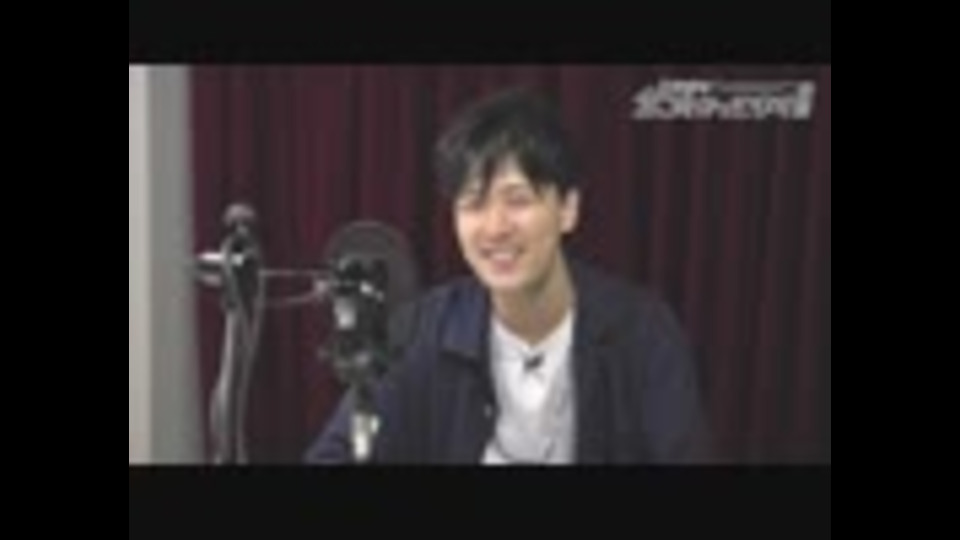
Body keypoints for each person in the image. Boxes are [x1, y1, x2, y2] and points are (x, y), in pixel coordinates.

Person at [304, 88, 712, 464]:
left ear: (568, 209)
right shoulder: (419, 331)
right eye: (473, 203)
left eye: (518, 200)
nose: (495, 227)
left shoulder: (641, 331)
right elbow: (333, 455)